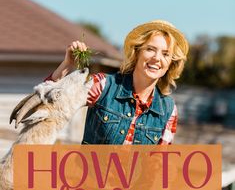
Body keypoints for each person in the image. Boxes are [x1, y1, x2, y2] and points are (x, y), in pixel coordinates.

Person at [45, 19, 189, 146]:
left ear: (171, 63)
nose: (157, 58)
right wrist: (67, 64)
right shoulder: (104, 86)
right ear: (137, 52)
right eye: (150, 49)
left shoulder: (168, 110)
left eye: (165, 54)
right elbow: (49, 97)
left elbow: (158, 164)